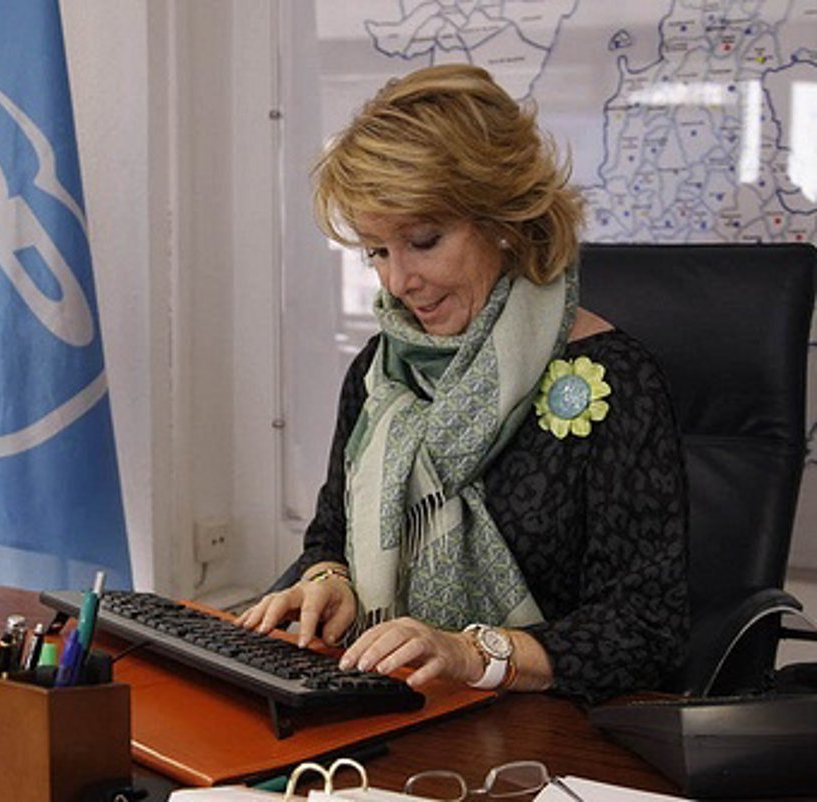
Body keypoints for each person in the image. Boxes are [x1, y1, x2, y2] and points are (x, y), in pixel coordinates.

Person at [236, 64, 688, 703]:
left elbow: (644, 631)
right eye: (377, 251)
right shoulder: (379, 370)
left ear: (503, 217)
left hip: (546, 729)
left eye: (423, 241)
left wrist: (470, 652)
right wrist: (328, 582)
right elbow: (329, 537)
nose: (398, 282)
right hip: (386, 705)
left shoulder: (617, 381)